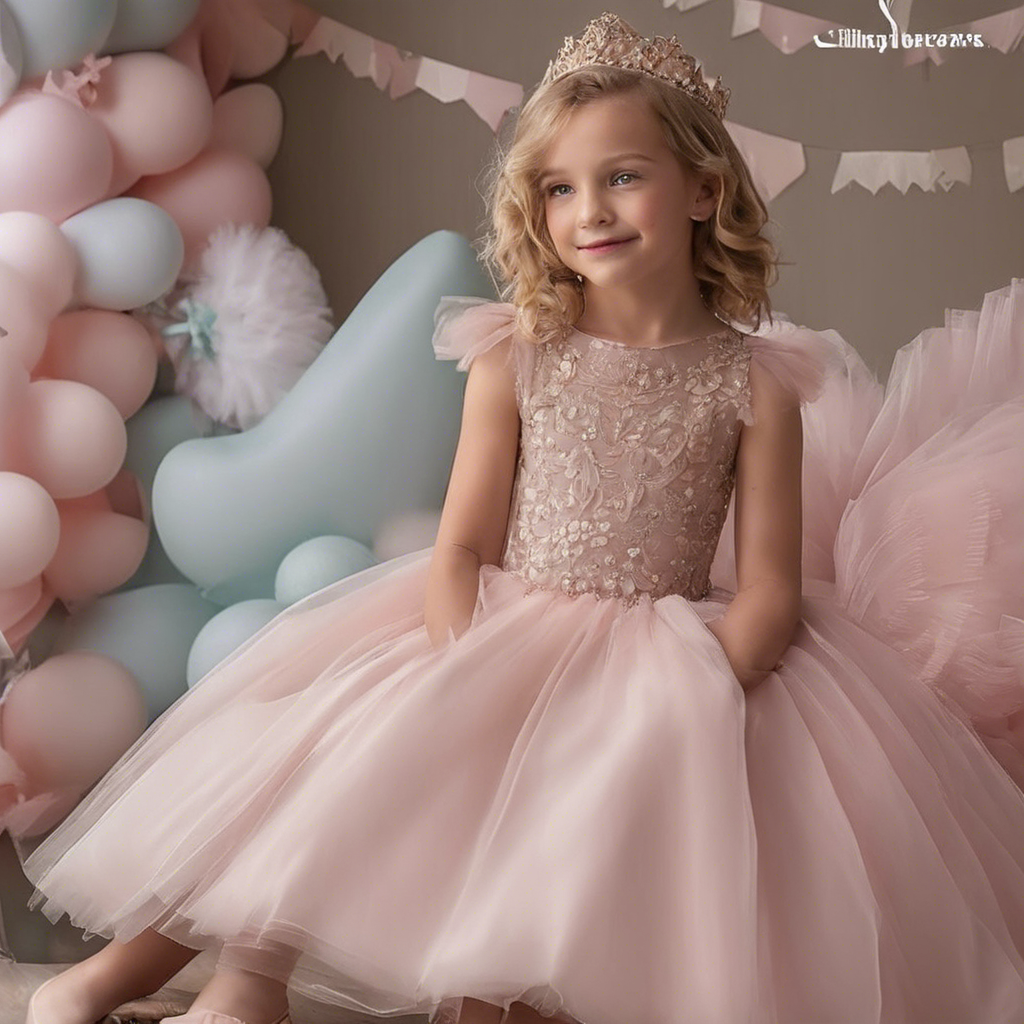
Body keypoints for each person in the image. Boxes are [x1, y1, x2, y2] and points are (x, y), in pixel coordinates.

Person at [18, 11, 1024, 1024]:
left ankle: (505, 1000)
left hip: (678, 648)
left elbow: (767, 586)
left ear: (704, 189)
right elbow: (461, 541)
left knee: (584, 842)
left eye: (622, 175)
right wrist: (464, 658)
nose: (589, 208)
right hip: (499, 622)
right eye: (558, 187)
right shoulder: (518, 355)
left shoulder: (753, 382)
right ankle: (153, 978)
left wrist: (702, 681)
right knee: (317, 778)